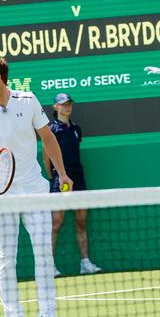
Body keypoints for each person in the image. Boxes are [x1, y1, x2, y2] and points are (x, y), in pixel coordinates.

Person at [0, 56, 73, 317]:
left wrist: (61, 173)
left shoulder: (28, 101)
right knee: (6, 258)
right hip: (0, 196)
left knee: (44, 252)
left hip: (34, 189)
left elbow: (47, 137)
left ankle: (47, 314)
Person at [42, 93, 102, 276]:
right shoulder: (51, 130)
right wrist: (55, 177)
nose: (67, 107)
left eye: (69, 104)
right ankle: (50, 266)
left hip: (79, 180)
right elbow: (46, 158)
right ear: (56, 107)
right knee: (56, 223)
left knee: (81, 221)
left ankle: (85, 263)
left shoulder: (76, 129)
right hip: (60, 182)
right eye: (63, 104)